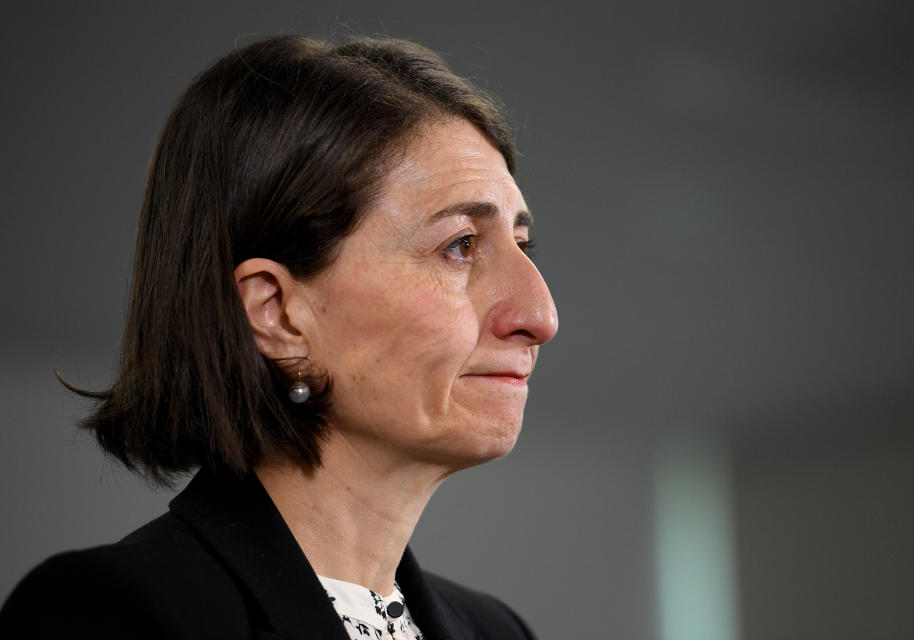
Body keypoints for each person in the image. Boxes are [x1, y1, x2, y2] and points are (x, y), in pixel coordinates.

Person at [0, 34, 557, 639]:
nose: (540, 315)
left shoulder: (498, 631)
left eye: (522, 246)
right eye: (461, 246)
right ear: (277, 314)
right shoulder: (113, 616)